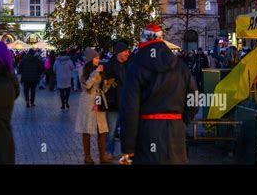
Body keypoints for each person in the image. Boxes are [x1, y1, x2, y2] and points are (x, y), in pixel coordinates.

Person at [120, 24, 199, 164]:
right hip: (175, 132)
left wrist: (128, 147)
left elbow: (129, 109)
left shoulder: (135, 67)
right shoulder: (181, 66)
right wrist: (180, 122)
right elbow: (193, 100)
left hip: (147, 132)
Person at [75, 48, 111, 164]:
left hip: (99, 99)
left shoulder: (98, 69)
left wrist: (107, 84)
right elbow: (87, 86)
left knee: (102, 129)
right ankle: (87, 156)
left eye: (98, 58)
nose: (98, 60)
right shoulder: (82, 70)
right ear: (90, 59)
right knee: (87, 128)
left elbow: (103, 89)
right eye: (96, 58)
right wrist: (95, 73)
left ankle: (102, 155)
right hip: (87, 100)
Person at [102, 41, 130, 160]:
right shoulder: (109, 66)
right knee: (111, 132)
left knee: (127, 131)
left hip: (127, 104)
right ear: (119, 53)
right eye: (126, 51)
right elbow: (104, 85)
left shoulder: (130, 65)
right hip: (113, 103)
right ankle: (108, 152)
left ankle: (126, 153)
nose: (128, 53)